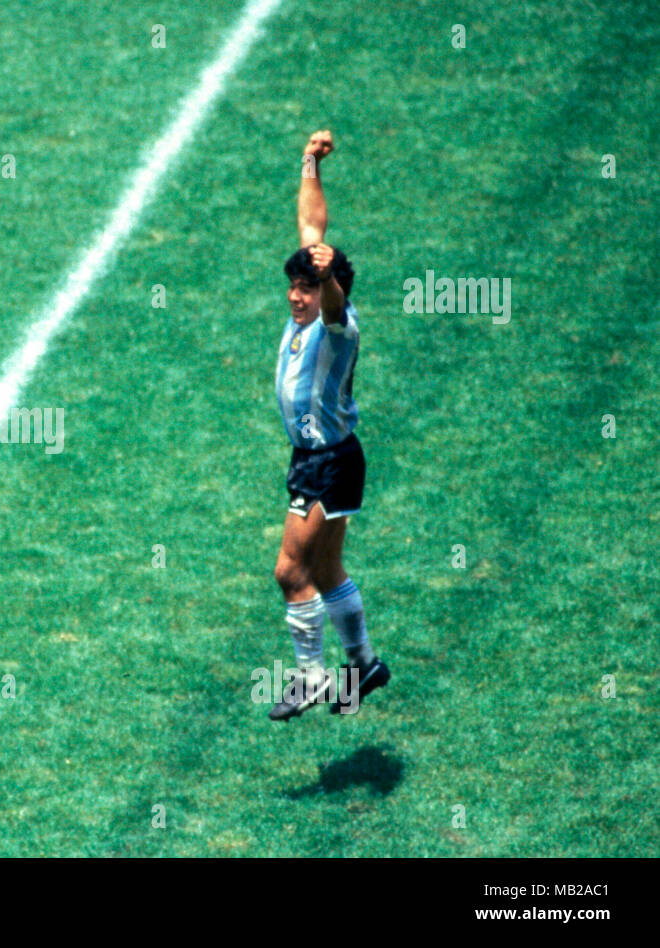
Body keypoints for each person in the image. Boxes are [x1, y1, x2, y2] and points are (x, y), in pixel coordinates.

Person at [267, 129, 389, 720]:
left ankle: (311, 677)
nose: (295, 297)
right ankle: (363, 665)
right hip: (320, 458)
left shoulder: (337, 325)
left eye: (306, 288)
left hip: (328, 462)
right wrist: (310, 165)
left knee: (290, 570)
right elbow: (311, 230)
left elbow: (335, 299)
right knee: (327, 568)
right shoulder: (311, 298)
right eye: (292, 285)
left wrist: (329, 280)